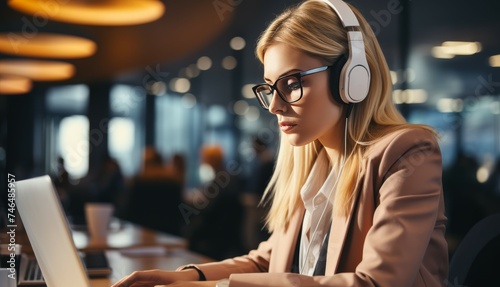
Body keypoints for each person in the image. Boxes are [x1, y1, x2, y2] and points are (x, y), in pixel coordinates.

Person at [112, 0, 448, 286]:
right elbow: (270, 261)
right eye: (270, 87)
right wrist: (191, 277)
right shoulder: (310, 165)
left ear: (351, 78)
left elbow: (376, 283)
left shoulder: (407, 153)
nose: (274, 105)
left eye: (291, 83)